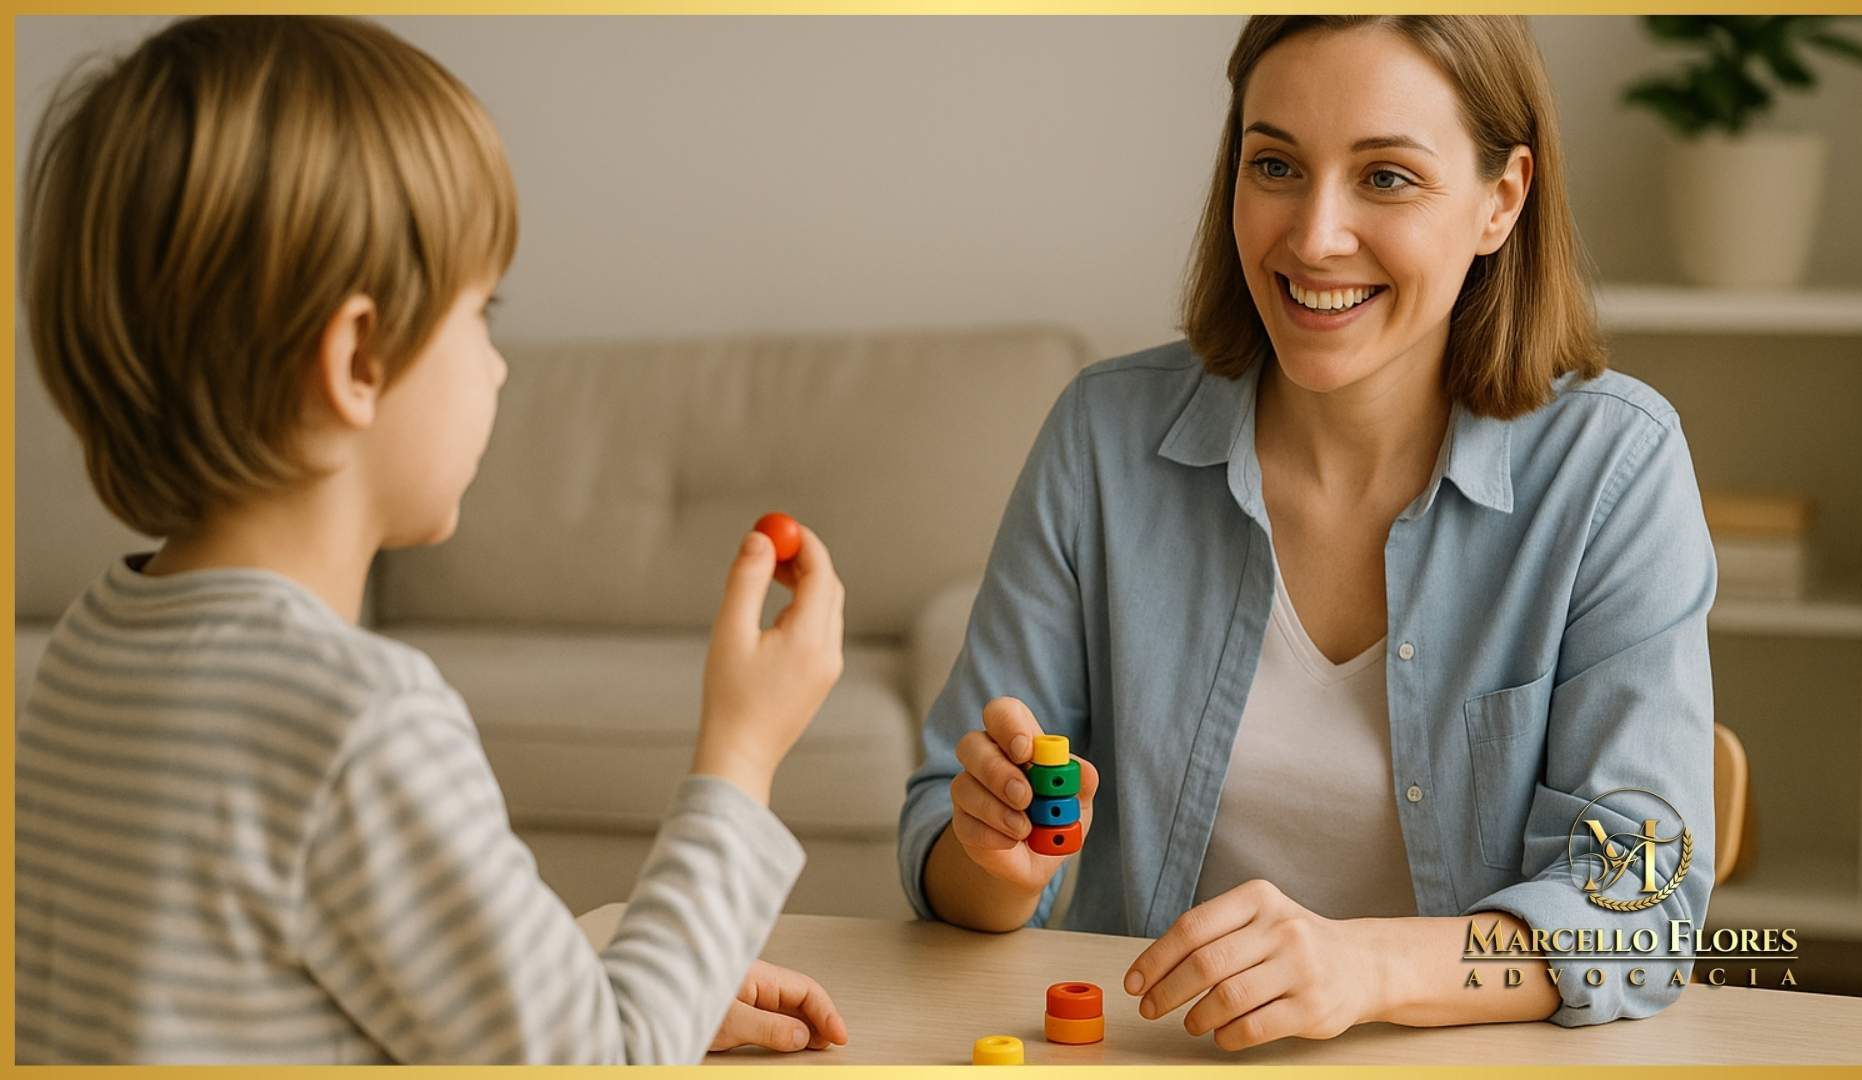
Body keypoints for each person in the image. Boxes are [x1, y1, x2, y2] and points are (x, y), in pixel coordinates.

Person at [16, 15, 848, 1064]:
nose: (498, 367)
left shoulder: (81, 661)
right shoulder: (356, 723)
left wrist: (651, 989)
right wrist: (741, 751)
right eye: (481, 313)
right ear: (359, 357)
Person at [900, 14, 1716, 1047]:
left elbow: (1639, 906)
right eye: (1275, 164)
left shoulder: (1613, 468)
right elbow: (941, 837)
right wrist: (992, 857)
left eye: (1386, 177)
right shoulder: (1102, 439)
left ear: (1500, 201)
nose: (1314, 234)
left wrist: (1367, 966)